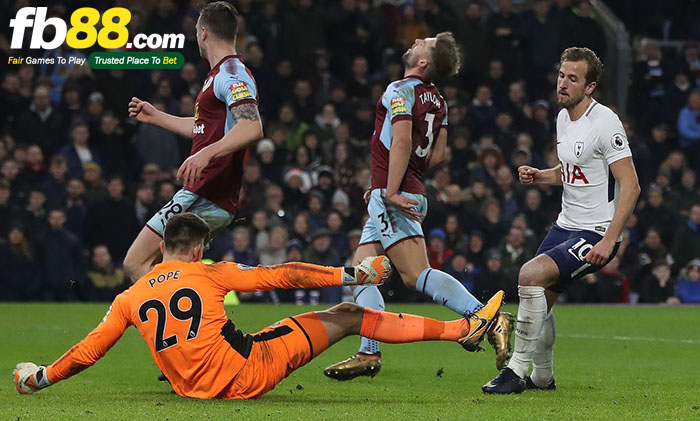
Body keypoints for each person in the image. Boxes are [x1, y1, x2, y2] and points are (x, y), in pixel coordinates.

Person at [13, 213, 504, 399]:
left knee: (263, 328)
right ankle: (462, 330)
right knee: (350, 316)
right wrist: (348, 274)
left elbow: (90, 350)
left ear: (163, 248)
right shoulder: (208, 272)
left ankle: (465, 329)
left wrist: (40, 377)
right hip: (247, 372)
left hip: (194, 386)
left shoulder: (129, 297)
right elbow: (282, 274)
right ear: (198, 248)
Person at [323, 33, 513, 381]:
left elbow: (402, 138)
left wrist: (391, 189)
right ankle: (368, 352)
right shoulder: (439, 101)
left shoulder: (400, 89)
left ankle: (486, 317)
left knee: (415, 275)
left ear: (423, 63)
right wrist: (395, 182)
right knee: (362, 271)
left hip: (395, 193)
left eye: (424, 41)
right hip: (406, 188)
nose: (416, 39)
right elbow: (438, 156)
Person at [483, 47, 641, 394]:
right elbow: (574, 171)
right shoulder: (562, 118)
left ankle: (515, 372)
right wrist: (542, 176)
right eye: (561, 75)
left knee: (529, 275)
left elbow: (631, 185)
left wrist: (609, 239)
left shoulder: (605, 122)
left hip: (595, 230)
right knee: (537, 298)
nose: (563, 84)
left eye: (573, 78)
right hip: (565, 224)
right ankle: (542, 377)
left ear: (590, 87)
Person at [123, 1, 263, 281]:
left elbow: (251, 126)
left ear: (203, 33)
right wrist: (158, 117)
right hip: (209, 191)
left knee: (136, 261)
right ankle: (195, 322)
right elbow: (207, 130)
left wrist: (205, 155)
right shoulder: (218, 75)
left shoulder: (231, 74)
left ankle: (176, 325)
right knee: (174, 271)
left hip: (207, 190)